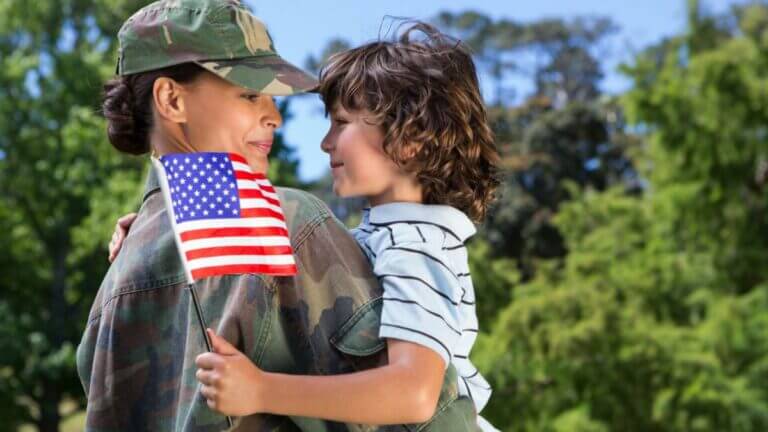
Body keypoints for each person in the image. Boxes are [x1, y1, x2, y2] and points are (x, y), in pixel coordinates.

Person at [76, 1, 478, 431]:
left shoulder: (115, 283)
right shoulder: (287, 224)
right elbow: (431, 415)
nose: (275, 117)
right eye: (250, 94)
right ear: (172, 100)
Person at [189, 22, 502, 431]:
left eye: (342, 122)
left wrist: (262, 390)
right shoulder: (387, 237)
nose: (325, 142)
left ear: (410, 139)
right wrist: (159, 226)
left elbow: (415, 392)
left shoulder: (418, 247)